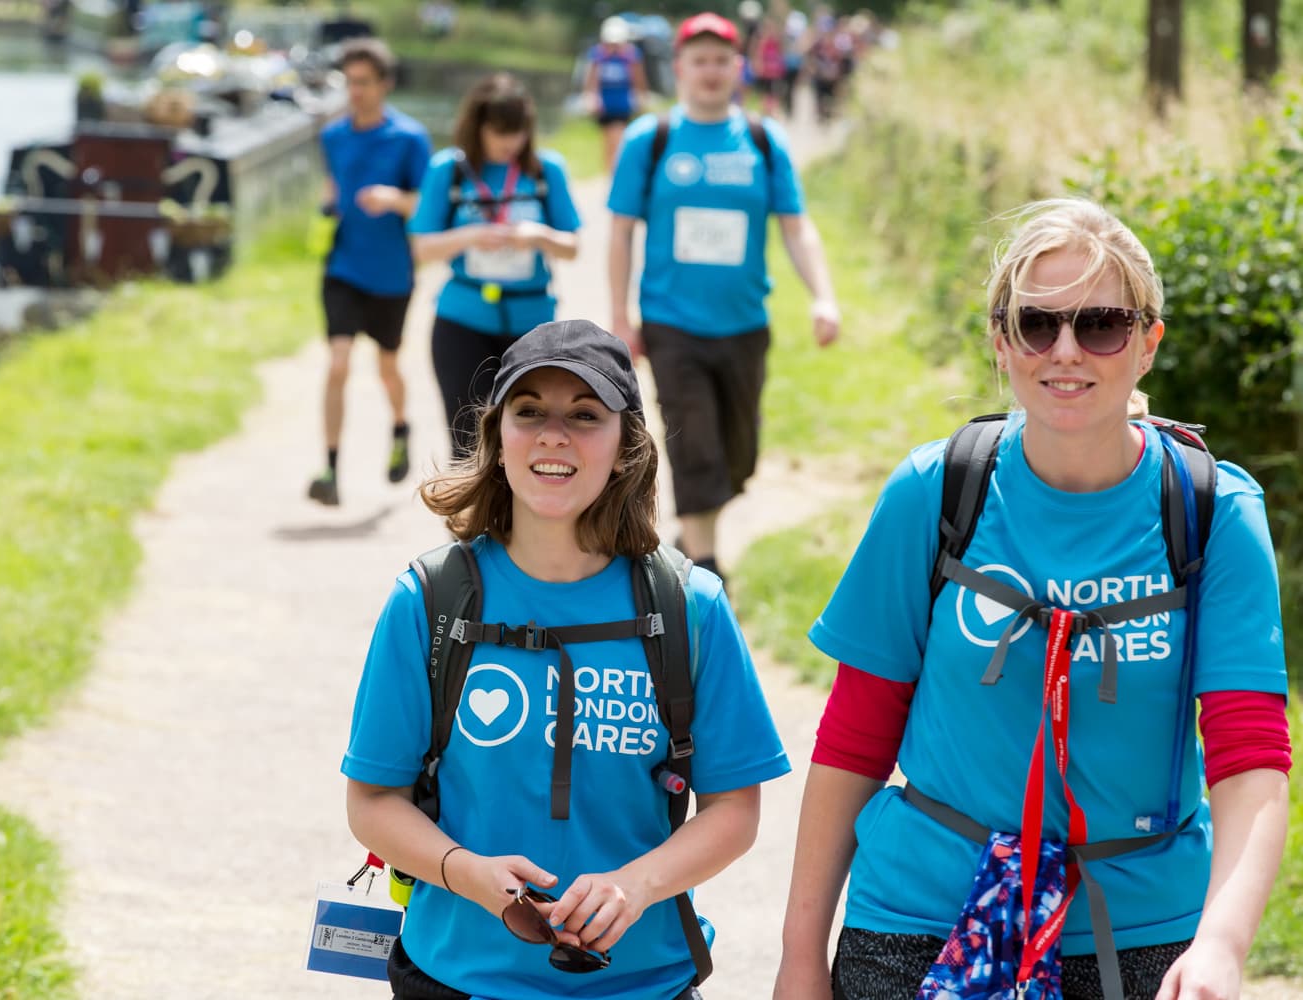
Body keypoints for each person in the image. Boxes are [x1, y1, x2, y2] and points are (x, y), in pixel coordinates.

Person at [772, 198, 1291, 1000]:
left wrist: (1222, 942)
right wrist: (800, 959)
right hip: (921, 921)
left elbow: (1248, 753)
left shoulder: (1213, 511)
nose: (1066, 350)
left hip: (1138, 933)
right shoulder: (935, 491)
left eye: (1102, 324)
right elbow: (855, 735)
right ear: (1000, 341)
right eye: (1036, 324)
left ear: (1148, 344)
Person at [343, 319, 792, 999]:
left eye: (585, 415)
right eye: (529, 412)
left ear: (625, 447)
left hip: (645, 985)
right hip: (459, 978)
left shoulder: (688, 605)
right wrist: (466, 871)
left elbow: (733, 808)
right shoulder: (430, 600)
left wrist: (634, 886)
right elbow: (374, 800)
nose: (554, 435)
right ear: (496, 439)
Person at [607, 11, 840, 583]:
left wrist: (823, 296)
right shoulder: (651, 140)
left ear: (738, 68)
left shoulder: (762, 140)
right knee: (694, 444)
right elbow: (620, 231)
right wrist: (620, 317)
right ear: (680, 68)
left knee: (739, 457)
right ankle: (707, 570)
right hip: (671, 322)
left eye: (720, 61)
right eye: (699, 61)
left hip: (743, 324)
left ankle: (695, 535)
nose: (710, 71)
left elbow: (796, 227)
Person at [409, 73, 581, 461]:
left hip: (531, 326)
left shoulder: (546, 170)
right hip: (462, 320)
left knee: (529, 442)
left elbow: (572, 247)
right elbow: (423, 248)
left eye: (518, 132)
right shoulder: (448, 170)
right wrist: (470, 235)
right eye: (500, 131)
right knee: (467, 444)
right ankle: (469, 505)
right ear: (478, 127)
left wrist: (538, 235)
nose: (510, 142)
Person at [307, 37, 432, 507]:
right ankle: (329, 470)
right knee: (338, 363)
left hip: (392, 273)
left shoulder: (410, 139)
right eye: (349, 82)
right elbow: (333, 188)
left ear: (385, 84)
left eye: (363, 82)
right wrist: (325, 213)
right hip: (342, 266)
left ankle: (400, 428)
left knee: (387, 366)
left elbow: (428, 205)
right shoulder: (332, 136)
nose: (355, 91)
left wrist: (394, 199)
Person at [584, 17, 649, 174]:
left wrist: (641, 98)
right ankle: (610, 174)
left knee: (619, 139)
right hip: (605, 106)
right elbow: (591, 80)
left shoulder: (630, 56)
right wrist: (591, 98)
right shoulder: (598, 55)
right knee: (608, 141)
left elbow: (638, 79)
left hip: (623, 105)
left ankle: (617, 172)